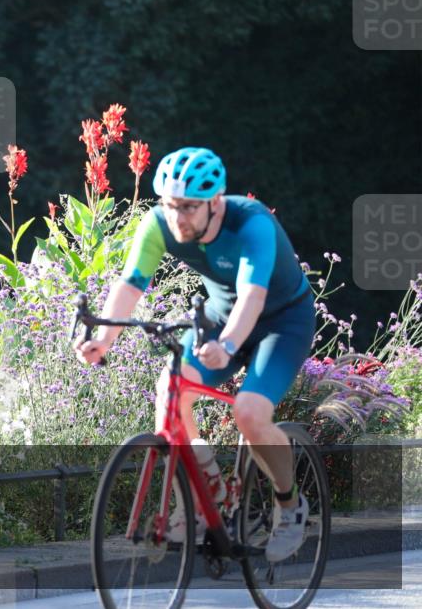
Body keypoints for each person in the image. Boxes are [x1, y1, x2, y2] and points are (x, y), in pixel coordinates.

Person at [73, 146, 316, 562]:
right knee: (171, 392)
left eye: (188, 208)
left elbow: (252, 298)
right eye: (170, 206)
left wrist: (228, 346)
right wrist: (105, 340)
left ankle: (290, 505)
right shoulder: (158, 224)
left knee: (250, 414)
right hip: (221, 318)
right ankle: (206, 498)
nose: (177, 218)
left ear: (215, 202)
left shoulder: (251, 223)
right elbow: (131, 284)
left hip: (281, 322)